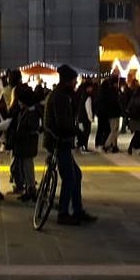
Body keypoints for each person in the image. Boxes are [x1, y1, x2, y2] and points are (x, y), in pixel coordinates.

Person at [44, 64, 96, 225]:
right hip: (59, 141)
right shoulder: (59, 97)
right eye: (74, 80)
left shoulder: (63, 95)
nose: (76, 83)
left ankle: (78, 209)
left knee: (76, 175)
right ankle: (64, 212)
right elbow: (63, 123)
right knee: (70, 177)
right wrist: (78, 132)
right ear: (67, 81)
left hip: (61, 141)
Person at [11, 86, 41, 202]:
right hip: (25, 146)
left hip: (27, 146)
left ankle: (31, 190)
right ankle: (29, 189)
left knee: (28, 169)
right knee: (26, 168)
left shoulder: (32, 114)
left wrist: (17, 134)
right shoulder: (27, 112)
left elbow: (30, 130)